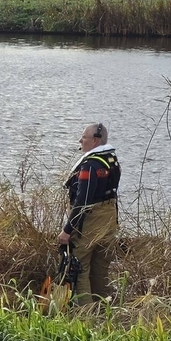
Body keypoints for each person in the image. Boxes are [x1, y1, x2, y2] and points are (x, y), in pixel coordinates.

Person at [57, 122, 120, 306]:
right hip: (109, 220)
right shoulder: (111, 159)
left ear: (94, 141)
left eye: (83, 137)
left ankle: (87, 318)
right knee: (100, 270)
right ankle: (107, 310)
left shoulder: (90, 166)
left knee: (80, 266)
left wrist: (67, 231)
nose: (80, 140)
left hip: (91, 222)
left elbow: (82, 202)